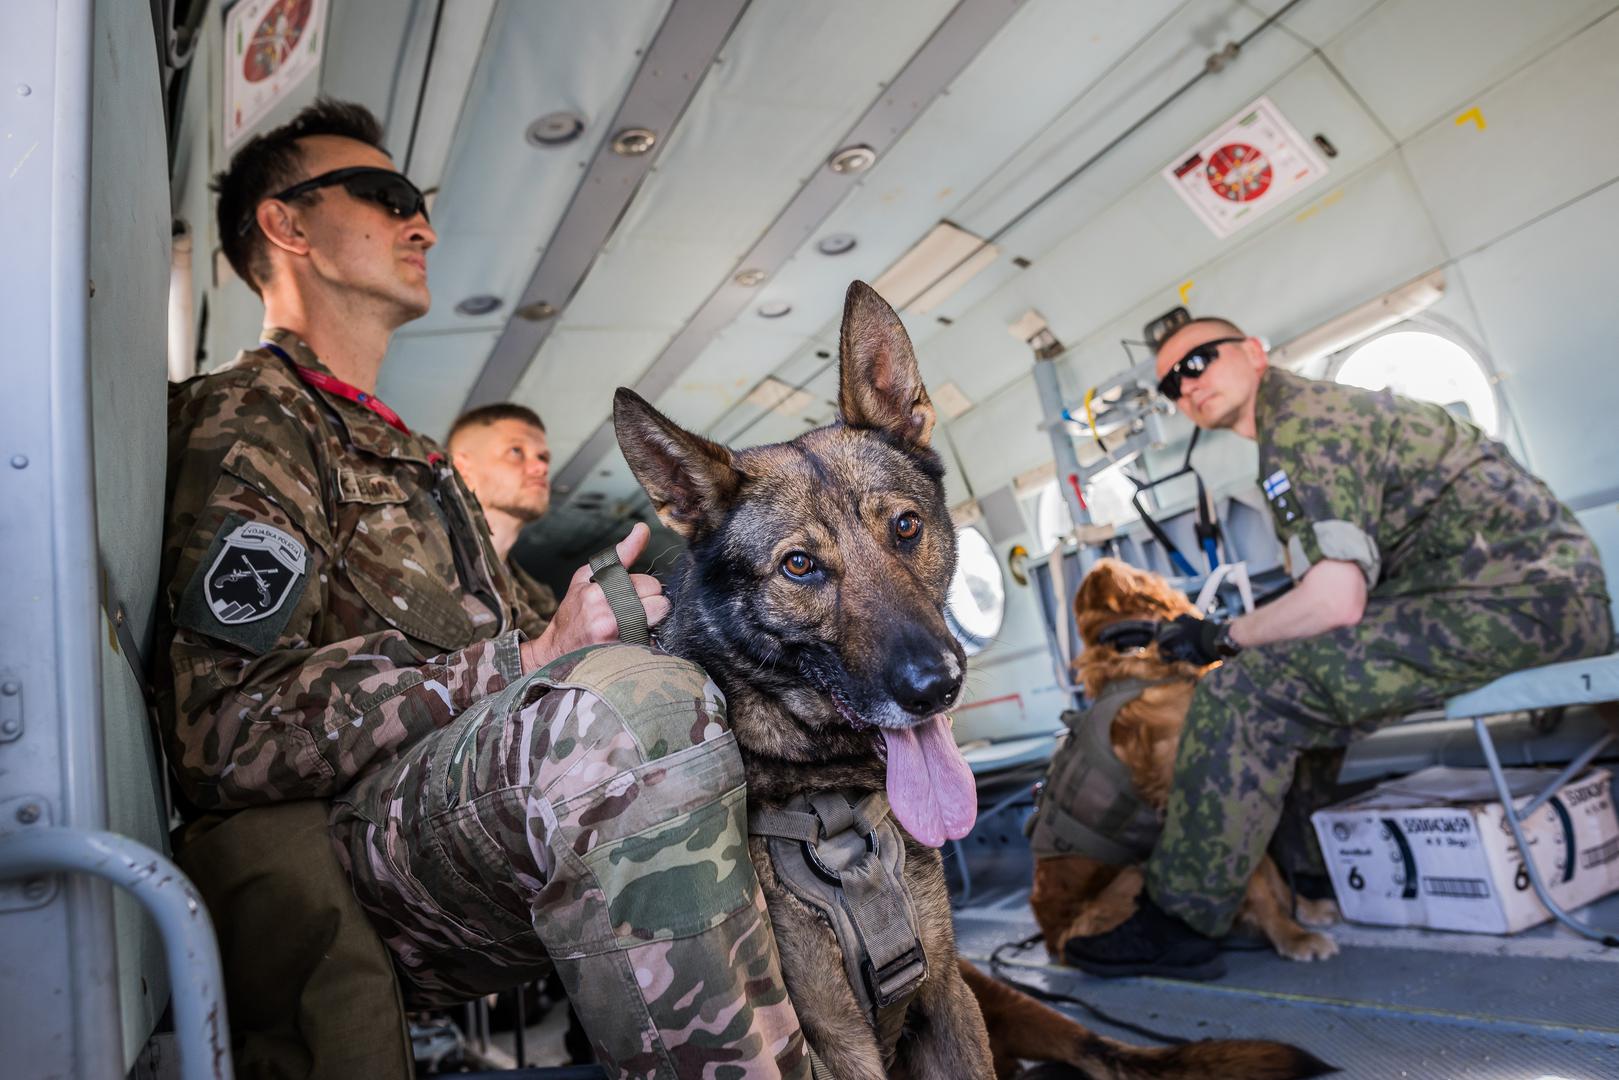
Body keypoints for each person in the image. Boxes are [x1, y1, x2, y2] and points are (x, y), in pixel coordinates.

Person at [157, 99, 808, 1076]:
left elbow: (541, 639)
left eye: (417, 203)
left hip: (454, 808)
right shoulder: (256, 420)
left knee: (774, 692)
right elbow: (224, 737)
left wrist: (639, 617)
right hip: (351, 845)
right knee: (625, 719)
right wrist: (533, 659)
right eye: (382, 199)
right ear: (286, 227)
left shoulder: (411, 462)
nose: (420, 224)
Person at [1063, 315, 1614, 980]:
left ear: (1252, 353)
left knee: (1241, 693)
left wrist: (1221, 635)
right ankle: (1307, 875)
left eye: (1199, 360)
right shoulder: (1285, 436)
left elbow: (1334, 601)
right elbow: (1329, 600)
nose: (1186, 385)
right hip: (1511, 598)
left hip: (1516, 604)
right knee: (1291, 684)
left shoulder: (1302, 421)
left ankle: (1179, 920)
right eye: (1170, 385)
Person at [446, 403, 559, 627]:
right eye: (516, 451)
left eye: (543, 457)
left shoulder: (541, 601)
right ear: (463, 469)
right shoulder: (422, 567)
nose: (541, 467)